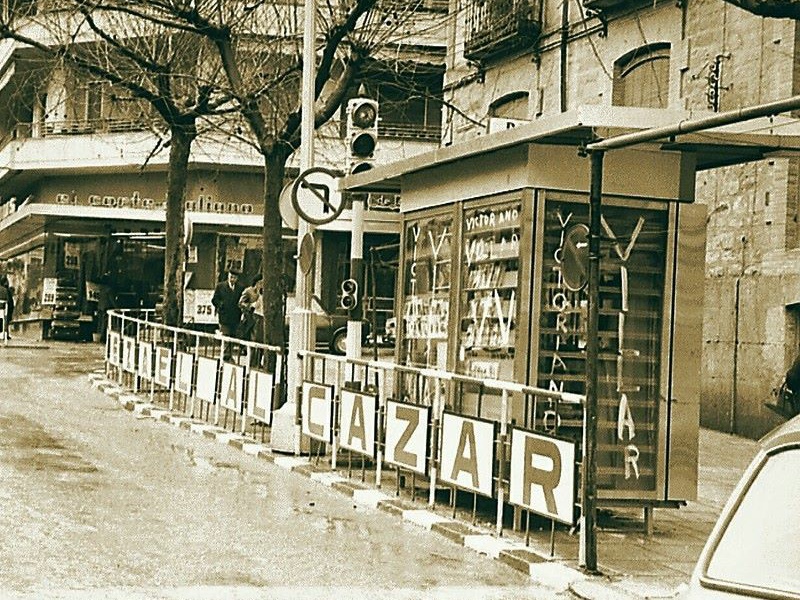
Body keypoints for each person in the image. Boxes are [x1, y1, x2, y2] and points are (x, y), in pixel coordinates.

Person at [211, 268, 245, 340]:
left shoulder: (240, 288)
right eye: (231, 277)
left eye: (234, 278)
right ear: (228, 276)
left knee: (234, 338)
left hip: (236, 317)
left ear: (237, 278)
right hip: (224, 317)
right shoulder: (220, 286)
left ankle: (231, 350)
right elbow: (214, 300)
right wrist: (221, 305)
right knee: (225, 337)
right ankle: (225, 350)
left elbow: (243, 300)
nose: (232, 279)